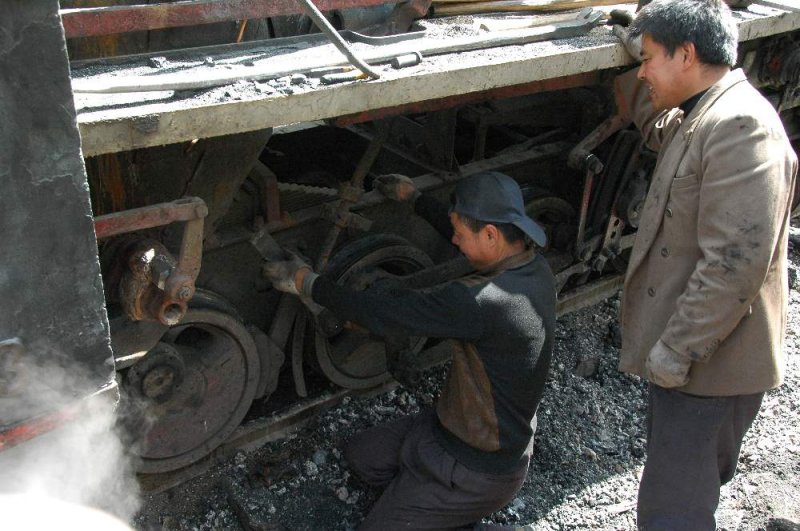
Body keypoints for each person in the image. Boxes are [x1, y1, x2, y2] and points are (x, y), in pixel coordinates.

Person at [263, 171, 556, 530]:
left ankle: (453, 513)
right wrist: (413, 197)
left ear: (492, 235)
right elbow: (470, 233)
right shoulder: (531, 264)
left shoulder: (479, 303)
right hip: (445, 430)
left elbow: (384, 314)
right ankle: (425, 500)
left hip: (478, 468)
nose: (455, 242)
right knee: (361, 457)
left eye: (460, 236)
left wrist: (305, 282)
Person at [612, 1, 798, 529]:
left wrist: (675, 352)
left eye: (649, 58)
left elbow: (734, 266)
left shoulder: (740, 126)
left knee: (672, 513)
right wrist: (636, 46)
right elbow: (663, 130)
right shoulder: (707, 111)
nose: (643, 69)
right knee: (684, 488)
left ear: (687, 54)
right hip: (706, 359)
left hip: (710, 367)